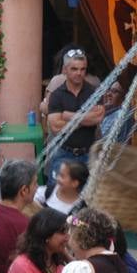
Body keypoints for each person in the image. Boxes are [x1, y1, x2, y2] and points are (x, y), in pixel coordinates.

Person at [45, 48, 103, 191]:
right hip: (63, 153)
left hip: (88, 154)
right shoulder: (57, 95)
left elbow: (97, 118)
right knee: (55, 196)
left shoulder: (93, 92)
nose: (79, 73)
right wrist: (85, 118)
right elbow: (56, 127)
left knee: (88, 198)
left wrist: (67, 115)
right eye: (74, 69)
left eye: (82, 69)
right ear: (65, 70)